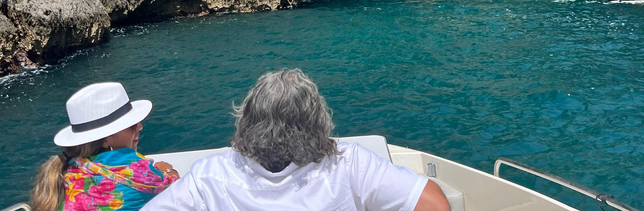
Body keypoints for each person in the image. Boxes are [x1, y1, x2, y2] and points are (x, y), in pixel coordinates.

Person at [142, 69, 450, 211]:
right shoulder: (348, 164)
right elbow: (434, 204)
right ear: (317, 121)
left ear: (247, 118)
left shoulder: (209, 176)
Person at [31, 82, 179, 211]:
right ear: (105, 140)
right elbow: (178, 190)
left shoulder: (66, 170)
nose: (139, 127)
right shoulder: (139, 173)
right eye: (131, 124)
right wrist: (168, 170)